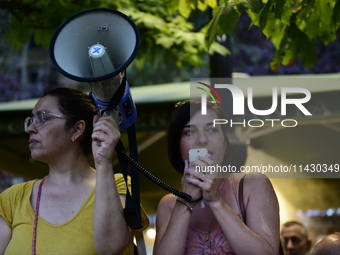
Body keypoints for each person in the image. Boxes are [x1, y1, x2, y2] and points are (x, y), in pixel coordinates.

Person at [0, 87, 148, 255]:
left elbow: (110, 247)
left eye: (42, 118)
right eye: (31, 120)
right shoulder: (13, 198)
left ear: (77, 129)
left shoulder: (116, 185)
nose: (30, 129)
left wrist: (103, 163)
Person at [153, 99, 281, 255]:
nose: (202, 140)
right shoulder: (169, 205)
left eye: (212, 130)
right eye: (190, 132)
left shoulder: (253, 185)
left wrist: (216, 202)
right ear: (178, 146)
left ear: (225, 144)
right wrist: (185, 201)